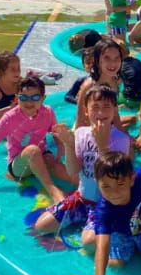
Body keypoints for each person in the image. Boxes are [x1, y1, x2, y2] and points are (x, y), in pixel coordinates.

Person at [34, 85, 131, 250]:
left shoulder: (121, 139)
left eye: (107, 107)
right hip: (82, 198)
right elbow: (73, 171)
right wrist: (69, 145)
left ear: (115, 110)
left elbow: (116, 178)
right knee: (41, 227)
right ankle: (87, 220)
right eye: (95, 107)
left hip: (107, 203)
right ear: (86, 111)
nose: (100, 113)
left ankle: (118, 230)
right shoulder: (81, 133)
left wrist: (102, 146)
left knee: (89, 244)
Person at [0, 77, 74, 203]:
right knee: (33, 150)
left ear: (43, 98)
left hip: (41, 157)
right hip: (18, 165)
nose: (29, 102)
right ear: (17, 98)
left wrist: (59, 152)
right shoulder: (9, 118)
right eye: (23, 97)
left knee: (59, 167)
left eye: (35, 97)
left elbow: (56, 135)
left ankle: (81, 189)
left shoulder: (47, 112)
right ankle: (54, 192)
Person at [75, 39, 128, 130]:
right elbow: (80, 120)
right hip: (89, 130)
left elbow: (115, 114)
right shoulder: (89, 85)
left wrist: (125, 135)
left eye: (117, 58)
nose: (113, 63)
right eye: (107, 58)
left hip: (106, 125)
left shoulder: (115, 82)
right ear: (98, 60)